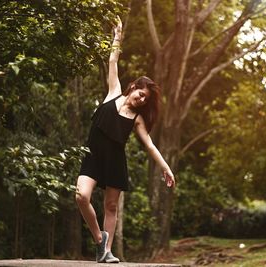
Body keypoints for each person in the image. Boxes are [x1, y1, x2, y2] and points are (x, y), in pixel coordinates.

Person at [75, 16, 176, 263]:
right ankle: (100, 241)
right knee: (81, 196)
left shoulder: (137, 119)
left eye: (145, 100)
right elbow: (113, 60)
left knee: (111, 207)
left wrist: (166, 168)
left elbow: (149, 145)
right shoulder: (113, 93)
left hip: (115, 161)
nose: (141, 100)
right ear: (132, 88)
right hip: (93, 155)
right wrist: (118, 37)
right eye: (140, 94)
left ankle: (106, 254)